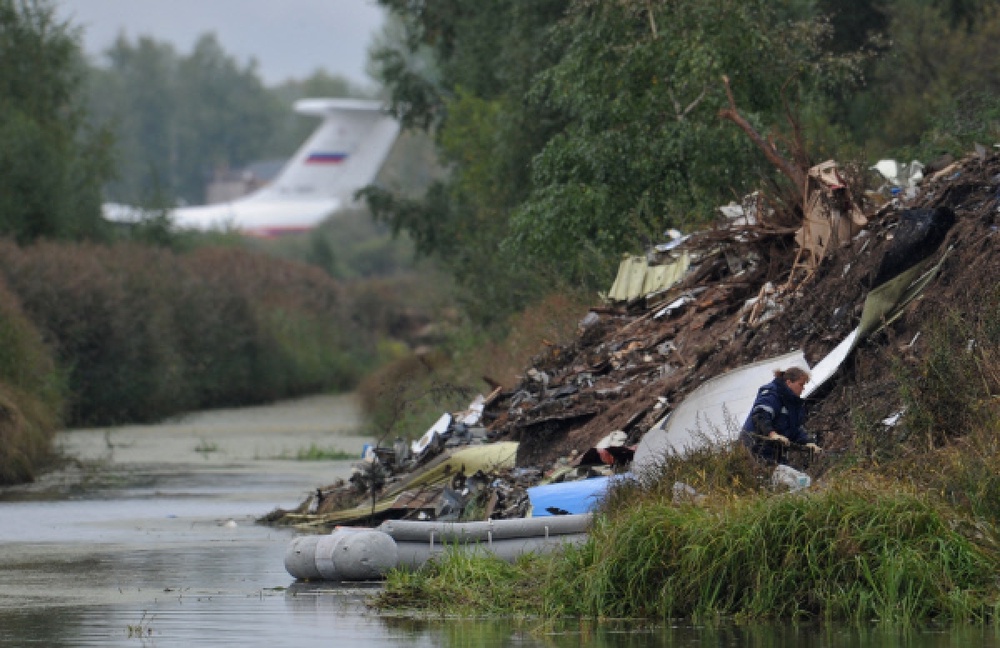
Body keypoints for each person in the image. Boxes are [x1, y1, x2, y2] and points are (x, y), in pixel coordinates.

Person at [740, 367, 822, 463]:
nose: (803, 389)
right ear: (789, 383)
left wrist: (808, 442)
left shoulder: (792, 404)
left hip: (773, 452)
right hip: (754, 447)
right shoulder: (772, 393)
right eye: (800, 385)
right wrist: (772, 434)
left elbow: (794, 429)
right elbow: (760, 415)